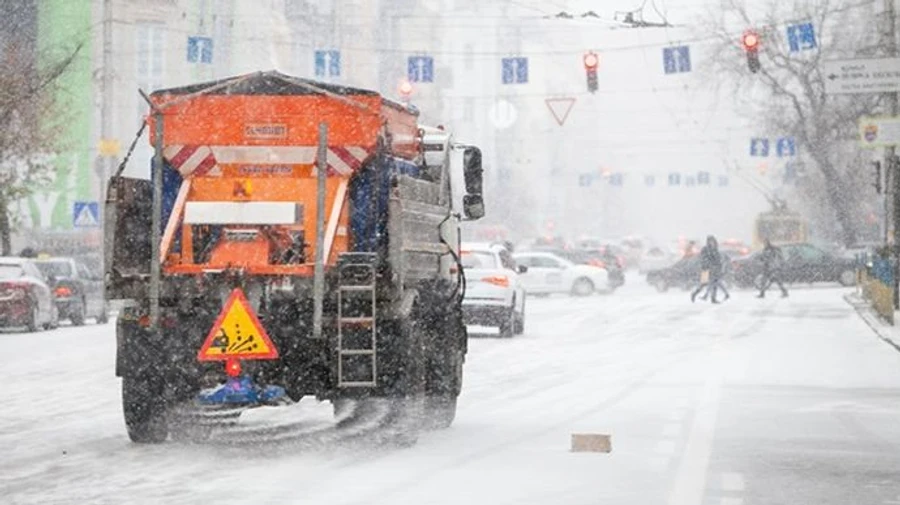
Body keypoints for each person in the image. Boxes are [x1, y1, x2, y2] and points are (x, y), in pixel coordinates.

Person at [691, 235, 729, 303]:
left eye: (713, 241)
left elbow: (718, 259)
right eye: (710, 241)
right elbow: (703, 258)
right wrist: (707, 265)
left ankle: (713, 298)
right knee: (703, 283)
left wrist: (718, 267)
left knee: (715, 283)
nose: (712, 242)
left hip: (715, 269)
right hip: (706, 269)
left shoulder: (715, 249)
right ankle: (694, 293)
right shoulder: (705, 249)